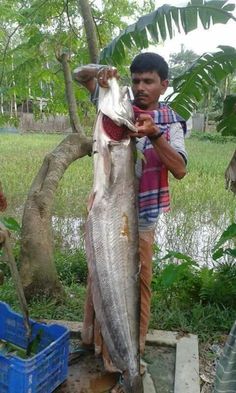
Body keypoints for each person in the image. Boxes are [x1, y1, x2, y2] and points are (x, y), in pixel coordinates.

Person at [73, 52, 187, 391]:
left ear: (163, 85)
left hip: (140, 223)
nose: (139, 88)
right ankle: (101, 351)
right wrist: (98, 72)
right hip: (106, 215)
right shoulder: (119, 110)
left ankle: (131, 358)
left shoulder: (171, 121)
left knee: (136, 288)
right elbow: (81, 75)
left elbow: (180, 168)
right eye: (135, 80)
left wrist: (154, 135)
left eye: (148, 81)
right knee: (100, 280)